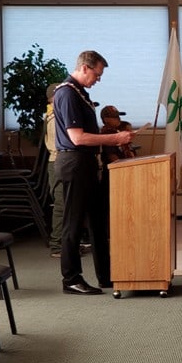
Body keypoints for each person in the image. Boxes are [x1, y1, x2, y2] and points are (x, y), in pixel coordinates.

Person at [54, 50, 134, 295]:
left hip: (87, 163)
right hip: (74, 162)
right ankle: (71, 279)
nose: (98, 79)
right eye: (97, 74)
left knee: (98, 222)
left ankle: (105, 276)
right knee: (74, 224)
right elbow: (77, 138)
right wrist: (114, 137)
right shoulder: (67, 93)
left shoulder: (80, 93)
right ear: (85, 68)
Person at [44, 82, 63, 258]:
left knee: (63, 203)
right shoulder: (54, 118)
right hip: (58, 162)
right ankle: (57, 245)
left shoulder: (53, 114)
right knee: (61, 204)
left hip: (57, 162)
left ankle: (63, 241)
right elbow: (59, 145)